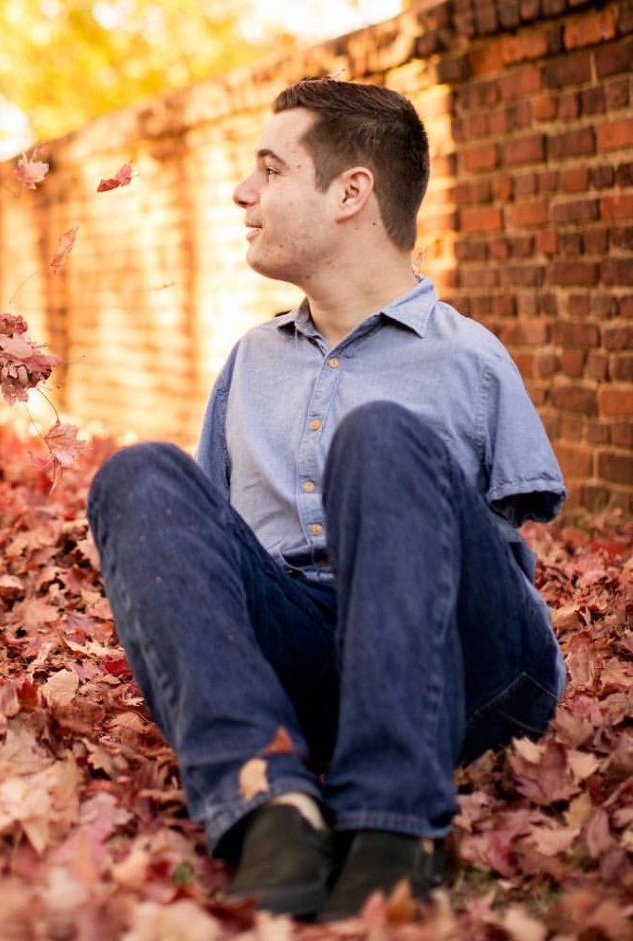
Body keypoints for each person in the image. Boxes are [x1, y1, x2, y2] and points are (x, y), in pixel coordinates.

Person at [86, 78, 567, 922]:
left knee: (380, 433)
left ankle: (393, 823)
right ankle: (268, 803)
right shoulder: (251, 361)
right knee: (139, 474)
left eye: (269, 170)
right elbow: (216, 558)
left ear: (351, 193)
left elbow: (495, 559)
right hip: (306, 662)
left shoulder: (468, 359)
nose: (242, 192)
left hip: (464, 669)